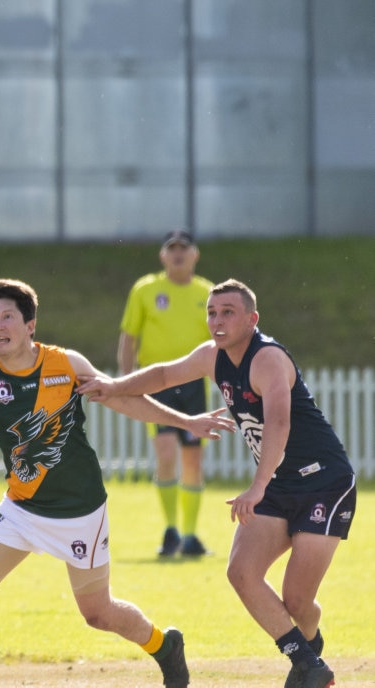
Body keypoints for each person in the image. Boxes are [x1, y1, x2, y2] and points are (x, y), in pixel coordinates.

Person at [0, 278, 235, 688]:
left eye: (7, 316)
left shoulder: (65, 365)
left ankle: (165, 646)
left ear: (30, 325)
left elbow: (120, 398)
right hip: (21, 509)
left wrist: (186, 421)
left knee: (97, 613)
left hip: (80, 511)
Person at [80, 279, 354, 688]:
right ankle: (308, 663)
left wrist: (257, 485)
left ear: (251, 319)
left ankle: (311, 644)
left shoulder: (268, 360)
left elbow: (279, 422)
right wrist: (115, 386)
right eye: (211, 312)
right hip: (277, 483)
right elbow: (164, 374)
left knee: (298, 600)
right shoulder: (213, 356)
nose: (217, 320)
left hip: (323, 483)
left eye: (228, 312)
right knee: (241, 572)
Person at [119, 229, 215, 558]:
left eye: (183, 249)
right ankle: (171, 529)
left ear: (194, 255)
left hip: (194, 385)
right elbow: (129, 336)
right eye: (171, 249)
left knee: (193, 458)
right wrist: (126, 381)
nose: (177, 254)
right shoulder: (146, 289)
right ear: (162, 255)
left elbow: (220, 340)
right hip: (155, 383)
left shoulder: (207, 293)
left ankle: (190, 535)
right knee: (165, 454)